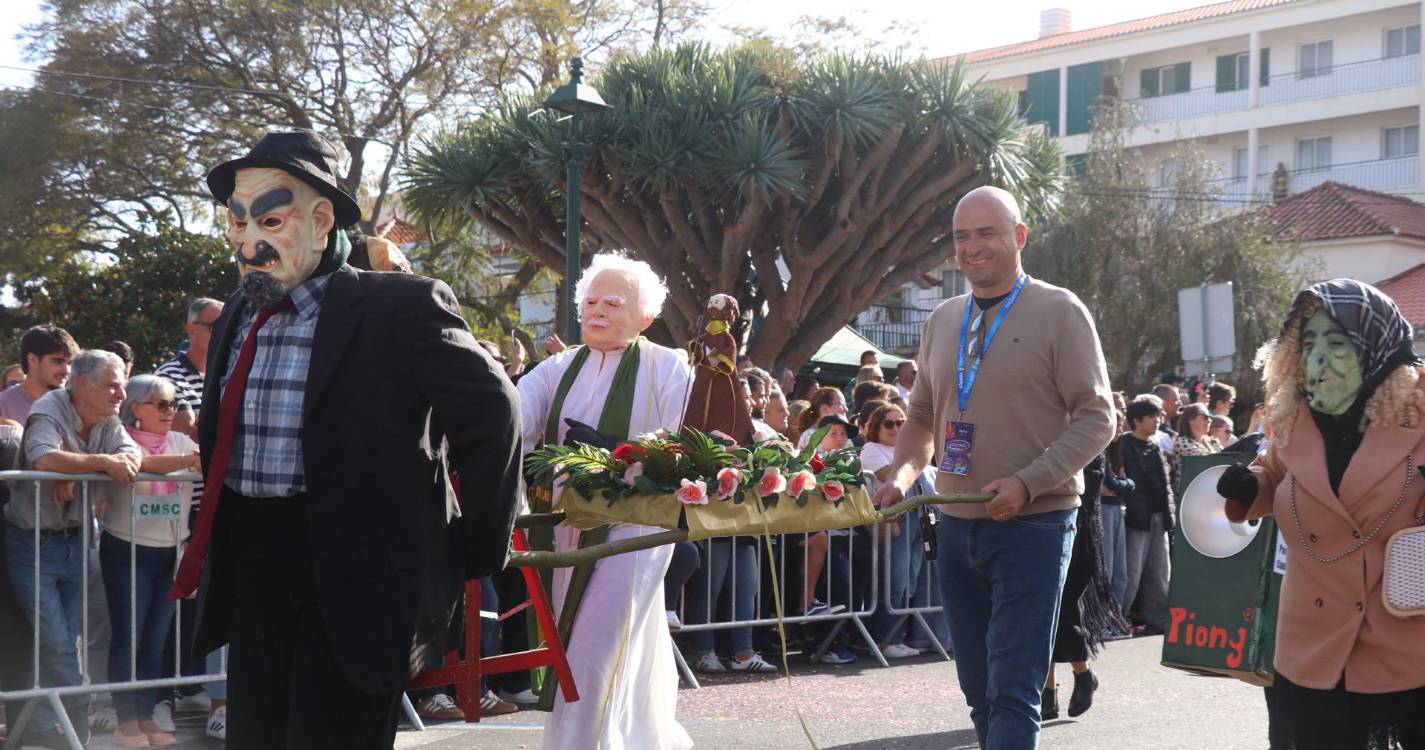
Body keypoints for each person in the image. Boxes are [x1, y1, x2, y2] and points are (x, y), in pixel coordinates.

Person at [175, 130, 522, 750]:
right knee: (257, 735)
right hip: (255, 559)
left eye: (270, 219)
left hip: (359, 569)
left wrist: (474, 547)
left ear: (319, 219)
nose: (249, 243)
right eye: (236, 222)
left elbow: (493, 414)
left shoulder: (402, 307)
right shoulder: (235, 312)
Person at [873, 186, 1115, 749]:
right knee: (977, 686)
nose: (973, 247)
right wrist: (901, 479)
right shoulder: (943, 318)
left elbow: (1098, 417)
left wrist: (1029, 482)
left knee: (1013, 686)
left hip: (1035, 523)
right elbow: (923, 417)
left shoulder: (1060, 310)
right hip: (956, 523)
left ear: (1020, 237)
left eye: (987, 233)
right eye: (962, 236)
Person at [1216, 279, 1425, 749]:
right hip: (1312, 645)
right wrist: (1250, 485)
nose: (1318, 359)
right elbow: (1273, 472)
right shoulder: (1293, 418)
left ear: (1376, 349)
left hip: (1405, 647)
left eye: (1337, 343)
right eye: (1308, 344)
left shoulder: (1421, 410)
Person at [515, 252, 693, 750]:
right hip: (563, 527)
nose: (597, 310)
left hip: (636, 530)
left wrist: (618, 447)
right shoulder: (556, 368)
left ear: (646, 316)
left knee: (592, 649)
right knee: (597, 645)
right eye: (590, 300)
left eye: (612, 302)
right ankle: (640, 739)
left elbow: (688, 444)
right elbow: (512, 418)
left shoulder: (669, 367)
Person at [4, 350, 141, 748]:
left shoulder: (107, 416)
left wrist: (76, 469)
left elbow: (132, 457)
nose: (121, 394)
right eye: (112, 385)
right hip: (32, 544)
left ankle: (44, 725)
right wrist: (93, 463)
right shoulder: (49, 408)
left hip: (78, 541)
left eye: (123, 385)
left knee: (63, 641)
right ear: (82, 385)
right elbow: (44, 456)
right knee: (60, 645)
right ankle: (76, 735)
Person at [102, 375, 200, 748]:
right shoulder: (119, 437)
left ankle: (145, 714)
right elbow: (138, 463)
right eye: (160, 404)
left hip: (169, 551)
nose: (169, 411)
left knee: (156, 641)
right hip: (127, 550)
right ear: (136, 407)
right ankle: (126, 720)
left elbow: (202, 466)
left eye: (172, 404)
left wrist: (191, 459)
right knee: (128, 637)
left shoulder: (179, 441)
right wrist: (190, 462)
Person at [152, 297, 224, 732]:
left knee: (206, 603)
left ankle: (194, 683)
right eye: (213, 325)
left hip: (216, 505)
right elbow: (184, 432)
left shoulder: (229, 366)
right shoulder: (169, 374)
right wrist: (205, 429)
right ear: (191, 327)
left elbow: (205, 430)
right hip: (178, 509)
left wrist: (204, 428)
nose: (220, 332)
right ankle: (161, 693)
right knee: (166, 604)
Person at [1044, 405, 1128, 720]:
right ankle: (1047, 693)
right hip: (1044, 533)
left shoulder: (1089, 449)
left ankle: (1082, 674)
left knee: (1063, 609)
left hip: (1079, 539)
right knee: (1042, 613)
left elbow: (1085, 492)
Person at [861, 402, 930, 658]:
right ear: (876, 427)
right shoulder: (871, 449)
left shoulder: (911, 451)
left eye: (901, 423)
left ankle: (898, 636)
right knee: (894, 582)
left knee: (909, 580)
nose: (895, 428)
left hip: (916, 516)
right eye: (889, 423)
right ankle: (887, 639)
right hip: (893, 519)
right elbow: (890, 475)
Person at [1119, 395, 1173, 634]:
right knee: (1130, 573)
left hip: (1158, 516)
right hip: (1135, 518)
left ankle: (1159, 618)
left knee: (1160, 571)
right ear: (1137, 420)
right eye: (1152, 416)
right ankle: (1118, 619)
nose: (1158, 420)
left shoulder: (1155, 447)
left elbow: (1165, 484)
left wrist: (1169, 514)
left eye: (1158, 416)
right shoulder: (1123, 445)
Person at [0, 326, 78, 423]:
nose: (67, 371)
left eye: (70, 363)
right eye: (58, 361)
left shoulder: (78, 406)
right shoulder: (3, 406)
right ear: (33, 360)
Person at [1099, 393, 1132, 613]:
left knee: (1122, 572)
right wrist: (1125, 484)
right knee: (1107, 568)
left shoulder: (1118, 451)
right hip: (1103, 510)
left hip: (1118, 509)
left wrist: (1123, 484)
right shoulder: (1099, 449)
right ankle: (1103, 618)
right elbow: (1109, 485)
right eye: (1116, 423)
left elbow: (1121, 485)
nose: (1120, 428)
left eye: (1121, 424)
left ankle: (1116, 617)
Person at [1172, 402, 1222, 476]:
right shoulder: (1182, 442)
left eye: (1210, 417)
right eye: (1205, 417)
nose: (1209, 420)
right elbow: (1205, 464)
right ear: (1190, 419)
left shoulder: (1212, 442)